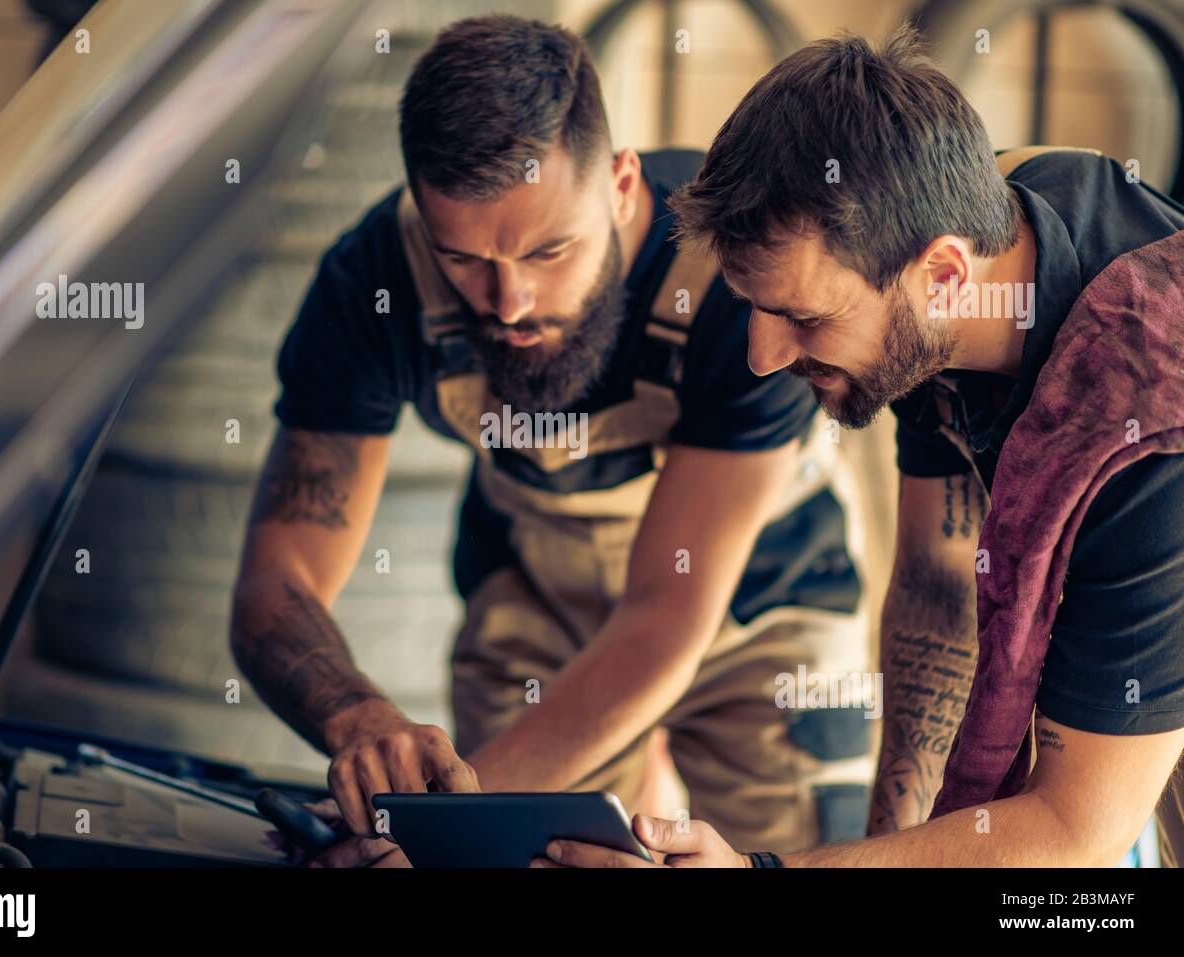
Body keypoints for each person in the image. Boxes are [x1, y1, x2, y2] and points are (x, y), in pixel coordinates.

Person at [229, 14, 874, 867]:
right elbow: (277, 580)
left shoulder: (730, 279)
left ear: (619, 182)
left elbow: (665, 614)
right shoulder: (372, 284)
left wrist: (434, 818)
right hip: (538, 586)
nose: (508, 301)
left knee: (791, 857)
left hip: (758, 602)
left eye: (550, 249)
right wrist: (358, 717)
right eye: (462, 258)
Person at [536, 25, 1184, 869]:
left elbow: (1072, 830)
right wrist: (890, 844)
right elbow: (937, 581)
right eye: (755, 309)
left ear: (945, 275)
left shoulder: (1148, 421)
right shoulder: (974, 240)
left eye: (804, 318)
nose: (762, 357)